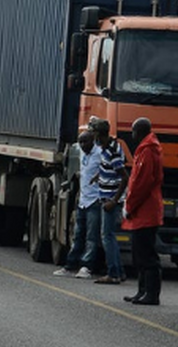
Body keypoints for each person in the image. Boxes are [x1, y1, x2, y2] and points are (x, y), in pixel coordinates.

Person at [122, 117, 164, 305]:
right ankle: (142, 291)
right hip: (143, 211)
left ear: (140, 132)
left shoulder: (147, 151)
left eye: (133, 131)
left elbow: (142, 184)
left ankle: (151, 294)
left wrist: (129, 205)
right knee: (139, 253)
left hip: (145, 211)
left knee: (146, 254)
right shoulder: (146, 149)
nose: (132, 135)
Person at [54, 131, 103, 279]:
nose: (82, 145)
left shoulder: (99, 154)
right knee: (77, 234)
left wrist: (98, 178)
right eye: (80, 142)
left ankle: (86, 266)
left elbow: (109, 171)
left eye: (85, 142)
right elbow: (82, 172)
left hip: (94, 200)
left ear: (92, 141)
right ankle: (70, 265)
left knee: (91, 236)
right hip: (82, 200)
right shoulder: (83, 154)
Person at [90, 118, 129, 285]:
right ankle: (119, 272)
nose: (93, 138)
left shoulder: (111, 151)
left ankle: (112, 273)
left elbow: (124, 177)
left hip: (110, 199)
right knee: (109, 236)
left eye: (94, 134)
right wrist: (98, 176)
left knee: (107, 236)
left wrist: (114, 200)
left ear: (100, 134)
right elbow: (109, 168)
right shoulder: (106, 148)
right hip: (105, 195)